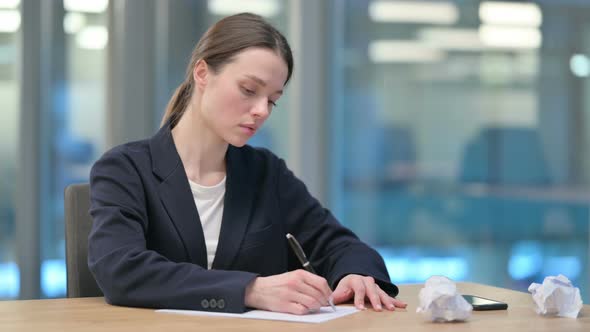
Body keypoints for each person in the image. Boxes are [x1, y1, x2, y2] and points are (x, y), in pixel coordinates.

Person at [88, 12, 406, 315]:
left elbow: (339, 245)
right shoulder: (125, 169)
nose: (261, 111)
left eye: (272, 100)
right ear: (202, 74)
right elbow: (120, 269)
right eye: (249, 90)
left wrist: (356, 274)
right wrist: (250, 289)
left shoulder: (266, 173)